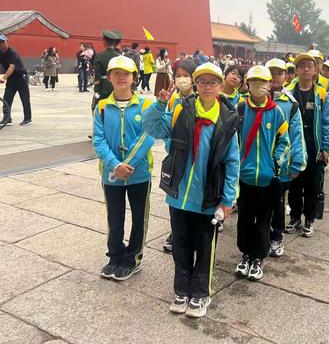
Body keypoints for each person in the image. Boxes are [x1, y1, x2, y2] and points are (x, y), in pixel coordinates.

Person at [142, 62, 240, 318]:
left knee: (205, 247)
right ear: (196, 85)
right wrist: (159, 106)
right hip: (180, 195)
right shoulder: (180, 110)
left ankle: (200, 294)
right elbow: (152, 129)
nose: (207, 87)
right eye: (202, 82)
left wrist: (228, 199)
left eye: (212, 82)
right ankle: (181, 290)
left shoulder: (228, 118)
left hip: (208, 196)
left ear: (220, 86)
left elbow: (232, 161)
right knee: (181, 245)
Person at [92, 55, 155, 281]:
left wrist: (128, 162)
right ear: (109, 77)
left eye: (125, 74)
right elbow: (98, 140)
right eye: (116, 73)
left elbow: (148, 135)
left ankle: (133, 259)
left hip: (138, 174)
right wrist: (115, 165)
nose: (121, 78)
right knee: (115, 218)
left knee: (139, 218)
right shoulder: (102, 107)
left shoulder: (146, 105)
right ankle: (115, 256)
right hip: (111, 175)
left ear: (134, 78)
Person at [235, 65, 290, 280]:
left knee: (264, 220)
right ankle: (245, 255)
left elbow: (285, 141)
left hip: (267, 178)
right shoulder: (240, 110)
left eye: (262, 82)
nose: (258, 86)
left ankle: (258, 257)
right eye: (254, 82)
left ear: (269, 86)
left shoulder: (276, 112)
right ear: (247, 84)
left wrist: (276, 163)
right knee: (245, 220)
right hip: (244, 177)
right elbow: (232, 140)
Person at [284, 53, 329, 237]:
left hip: (314, 147)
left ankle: (309, 219)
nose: (306, 69)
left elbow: (327, 122)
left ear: (315, 70)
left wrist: (326, 148)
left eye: (309, 66)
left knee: (313, 186)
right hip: (294, 148)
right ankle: (294, 217)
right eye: (302, 65)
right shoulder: (288, 92)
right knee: (294, 185)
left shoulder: (321, 94)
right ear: (296, 70)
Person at [266, 58, 307, 256]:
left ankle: (276, 237)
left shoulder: (290, 105)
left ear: (285, 76)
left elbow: (297, 136)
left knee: (278, 203)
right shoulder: (252, 100)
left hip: (280, 166)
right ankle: (261, 235)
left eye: (279, 73)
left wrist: (296, 163)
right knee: (259, 204)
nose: (274, 76)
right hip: (257, 164)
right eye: (271, 72)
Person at [162, 58, 197, 254]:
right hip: (176, 156)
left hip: (194, 155)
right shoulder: (174, 99)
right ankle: (176, 233)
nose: (182, 79)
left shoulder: (202, 97)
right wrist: (170, 145)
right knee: (176, 193)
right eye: (178, 76)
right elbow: (167, 127)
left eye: (186, 76)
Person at [0, 34, 32, 126]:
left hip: (20, 76)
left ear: (7, 42)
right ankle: (7, 118)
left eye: (3, 42)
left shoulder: (12, 52)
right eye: (0, 42)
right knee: (7, 98)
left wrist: (4, 77)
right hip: (11, 78)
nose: (2, 44)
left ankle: (28, 118)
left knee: (24, 98)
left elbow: (12, 66)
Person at [92, 30, 122, 111]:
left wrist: (96, 90)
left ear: (104, 41)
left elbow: (97, 75)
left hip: (103, 87)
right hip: (116, 86)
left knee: (101, 109)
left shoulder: (99, 56)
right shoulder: (119, 56)